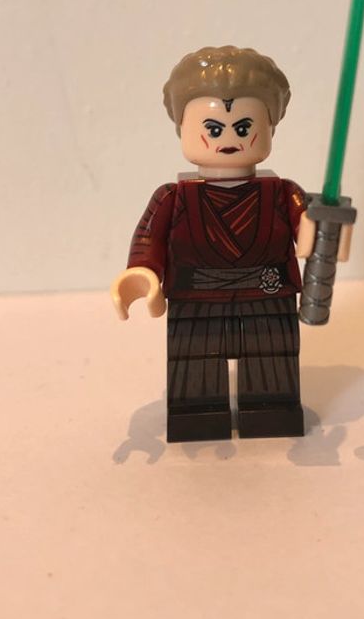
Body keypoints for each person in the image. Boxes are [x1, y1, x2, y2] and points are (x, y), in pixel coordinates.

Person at [111, 46, 316, 442]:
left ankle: (271, 410)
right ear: (183, 129)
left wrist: (318, 229)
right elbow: (149, 238)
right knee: (193, 365)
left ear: (269, 127)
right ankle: (196, 414)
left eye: (244, 127)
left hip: (267, 294)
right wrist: (143, 273)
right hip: (196, 297)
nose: (228, 139)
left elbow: (307, 231)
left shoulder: (282, 193)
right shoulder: (173, 197)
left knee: (272, 362)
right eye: (214, 129)